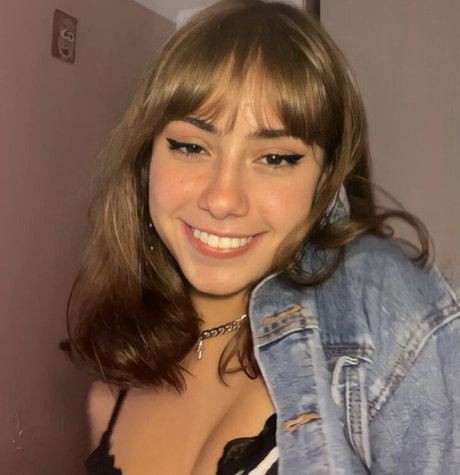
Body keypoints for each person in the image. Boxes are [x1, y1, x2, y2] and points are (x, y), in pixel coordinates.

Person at [66, 1, 460, 474]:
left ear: (328, 182)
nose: (223, 199)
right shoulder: (105, 400)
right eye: (191, 146)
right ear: (146, 161)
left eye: (274, 158)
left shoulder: (368, 349)